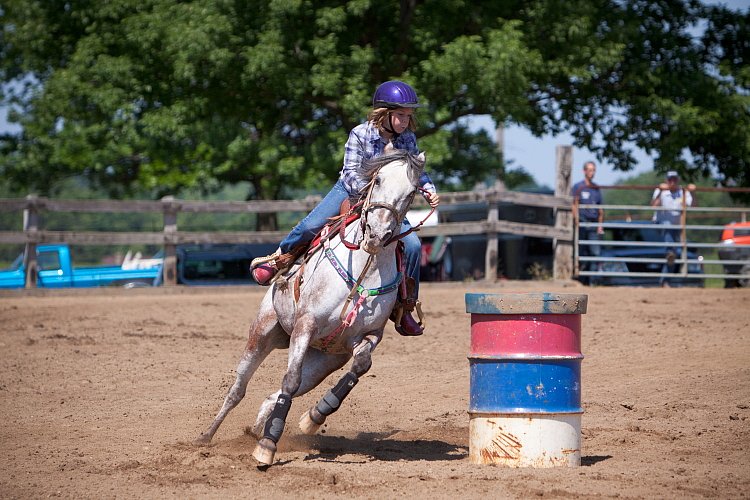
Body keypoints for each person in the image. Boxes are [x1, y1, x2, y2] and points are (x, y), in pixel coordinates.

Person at [251, 80, 440, 336]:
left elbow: (415, 172)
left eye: (408, 116)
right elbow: (350, 173)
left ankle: (405, 308)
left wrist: (428, 188)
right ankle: (278, 259)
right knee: (310, 225)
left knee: (414, 246)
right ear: (384, 113)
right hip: (351, 191)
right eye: (401, 115)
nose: (406, 121)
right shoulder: (360, 133)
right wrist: (374, 186)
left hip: (385, 202)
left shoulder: (407, 140)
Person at [650, 170, 697, 287]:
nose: (672, 182)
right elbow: (653, 205)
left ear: (678, 180)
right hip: (662, 224)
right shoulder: (661, 191)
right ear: (666, 180)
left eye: (674, 179)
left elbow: (694, 205)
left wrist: (693, 192)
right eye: (670, 179)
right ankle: (670, 252)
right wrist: (660, 191)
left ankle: (665, 280)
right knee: (668, 228)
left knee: (673, 255)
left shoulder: (683, 192)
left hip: (677, 226)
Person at [571, 161, 604, 285]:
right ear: (584, 171)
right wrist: (576, 220)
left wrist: (600, 225)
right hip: (582, 222)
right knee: (582, 251)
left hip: (594, 223)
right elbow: (574, 205)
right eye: (590, 170)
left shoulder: (596, 188)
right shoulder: (578, 186)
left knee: (595, 252)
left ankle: (592, 280)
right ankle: (582, 279)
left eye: (593, 170)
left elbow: (600, 209)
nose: (592, 172)